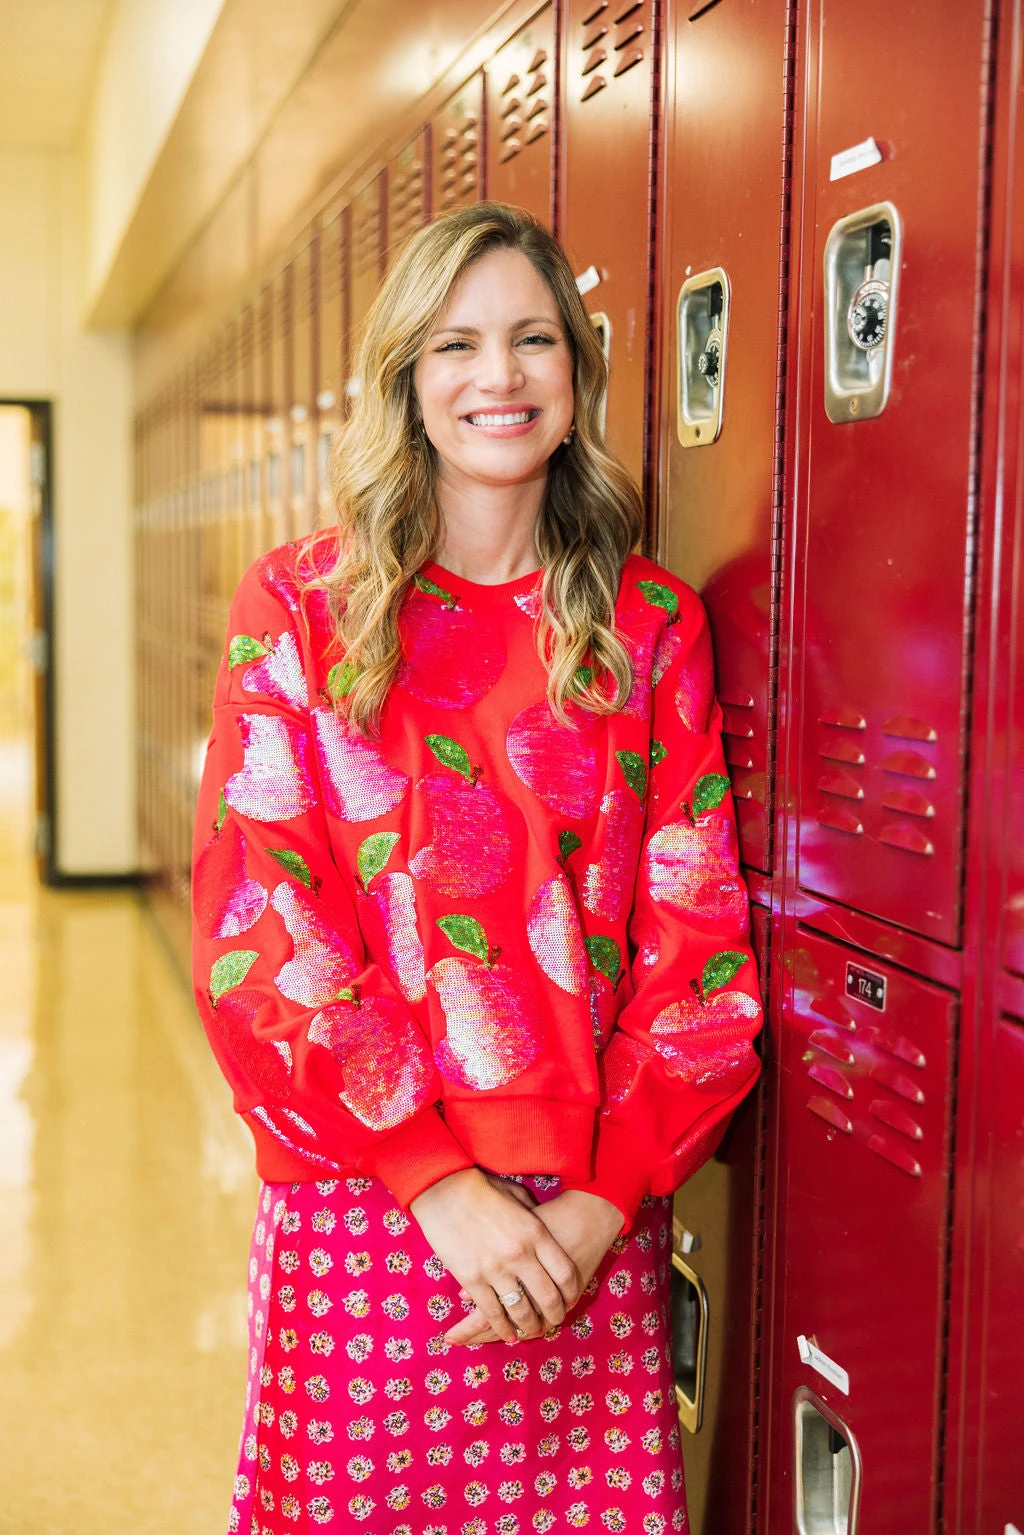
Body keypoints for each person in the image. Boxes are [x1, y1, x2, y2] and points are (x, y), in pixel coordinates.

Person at [191, 200, 763, 1535]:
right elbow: (263, 919)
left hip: (585, 1219)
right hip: (368, 1201)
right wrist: (435, 1184)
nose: (497, 377)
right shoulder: (303, 608)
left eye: (533, 341)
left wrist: (600, 1206)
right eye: (456, 345)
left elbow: (700, 937)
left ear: (578, 373)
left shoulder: (648, 624)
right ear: (408, 380)